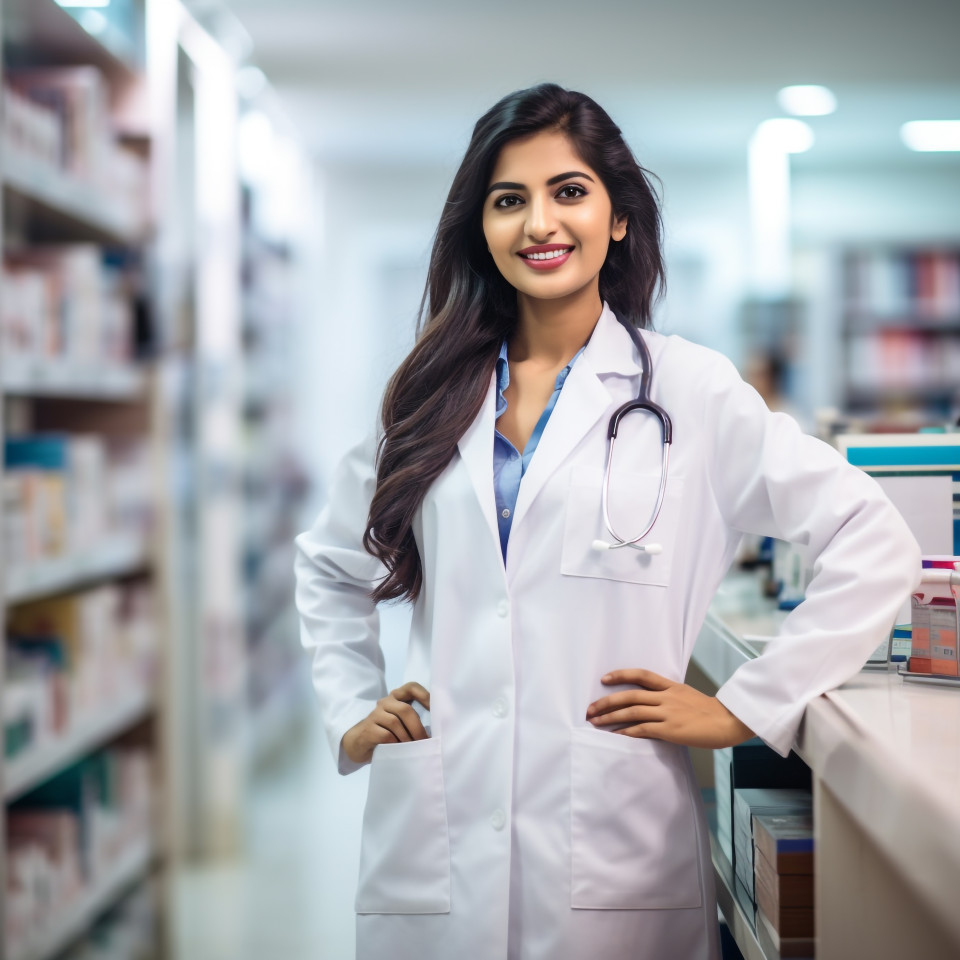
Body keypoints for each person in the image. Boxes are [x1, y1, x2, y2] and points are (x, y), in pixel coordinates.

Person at [294, 83, 920, 960]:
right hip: (436, 844)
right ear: (481, 226)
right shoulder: (425, 395)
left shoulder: (688, 390)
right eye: (508, 200)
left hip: (613, 849)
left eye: (569, 192)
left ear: (619, 217)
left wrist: (748, 707)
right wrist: (354, 710)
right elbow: (329, 565)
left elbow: (873, 536)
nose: (539, 223)